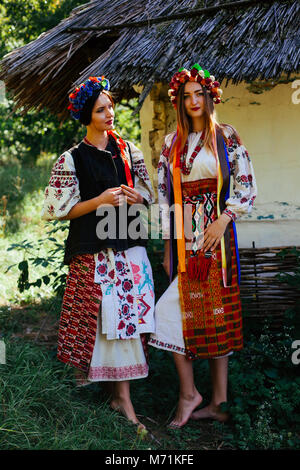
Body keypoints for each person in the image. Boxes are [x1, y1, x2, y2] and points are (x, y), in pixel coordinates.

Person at [41, 76, 155, 430]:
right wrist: (100, 200)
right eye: (101, 109)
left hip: (129, 245)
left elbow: (149, 192)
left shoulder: (129, 150)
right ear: (87, 116)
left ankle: (119, 397)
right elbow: (59, 209)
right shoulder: (73, 158)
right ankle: (118, 399)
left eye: (111, 107)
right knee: (106, 320)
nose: (110, 113)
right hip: (95, 248)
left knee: (129, 321)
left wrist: (139, 197)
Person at [149, 63, 257, 427]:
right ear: (179, 101)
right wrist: (167, 249)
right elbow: (165, 199)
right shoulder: (171, 144)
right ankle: (188, 393)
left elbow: (246, 186)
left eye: (200, 94)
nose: (194, 100)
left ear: (210, 97)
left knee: (218, 315)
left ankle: (220, 403)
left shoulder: (227, 136)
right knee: (168, 313)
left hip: (217, 240)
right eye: (187, 95)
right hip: (185, 241)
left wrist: (224, 219)